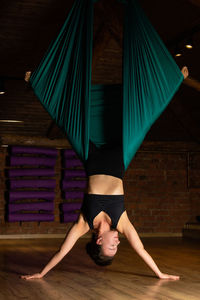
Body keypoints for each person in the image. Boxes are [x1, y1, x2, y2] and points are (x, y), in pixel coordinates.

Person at [20, 65, 189, 281]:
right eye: (116, 247)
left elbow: (62, 251)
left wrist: (41, 273)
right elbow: (141, 249)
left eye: (112, 246)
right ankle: (175, 80)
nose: (118, 243)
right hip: (120, 153)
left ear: (99, 241)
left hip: (93, 156)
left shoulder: (84, 223)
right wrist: (160, 274)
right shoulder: (122, 222)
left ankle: (38, 83)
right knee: (145, 119)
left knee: (67, 121)